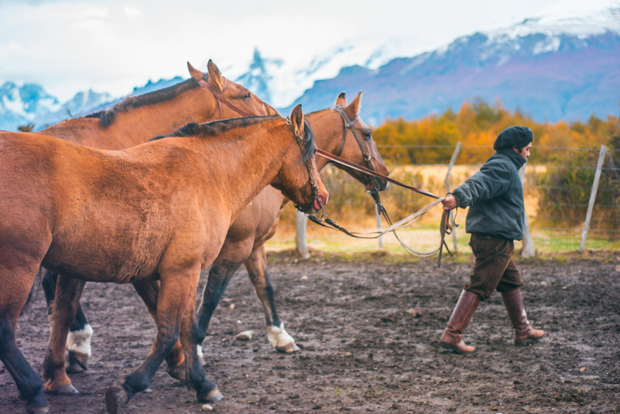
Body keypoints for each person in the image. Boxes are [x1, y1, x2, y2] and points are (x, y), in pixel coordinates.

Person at [439, 126, 545, 354]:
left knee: (511, 280)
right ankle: (452, 334)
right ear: (516, 148)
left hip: (495, 238)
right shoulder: (503, 166)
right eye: (527, 149)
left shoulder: (504, 164)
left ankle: (523, 330)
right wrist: (458, 197)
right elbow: (480, 184)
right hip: (494, 239)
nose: (528, 154)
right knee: (481, 284)